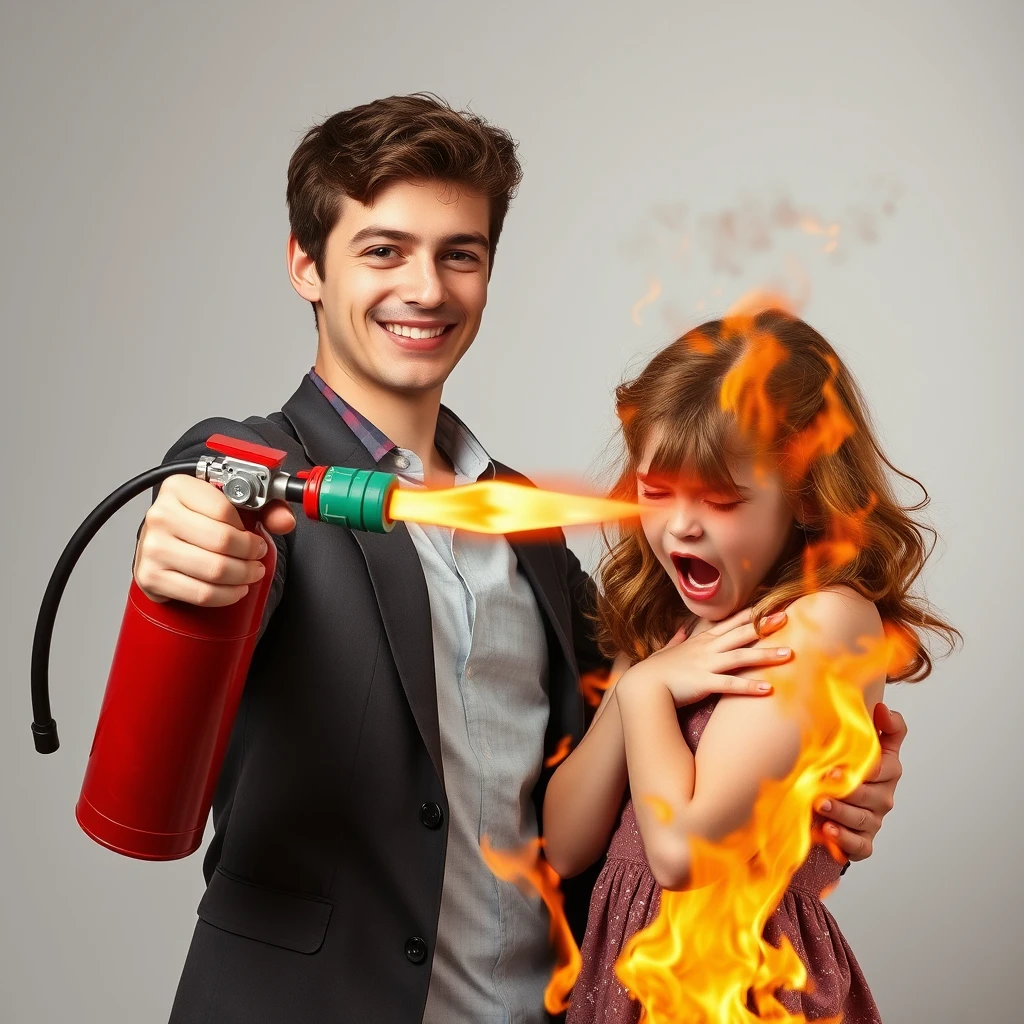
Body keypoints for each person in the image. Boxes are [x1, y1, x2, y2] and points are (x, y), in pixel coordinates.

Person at [131, 95, 907, 1023]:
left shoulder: (533, 536)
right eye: (383, 250)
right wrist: (185, 532)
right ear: (306, 265)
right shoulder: (257, 480)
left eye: (459, 253)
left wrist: (832, 776)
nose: (426, 288)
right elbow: (201, 516)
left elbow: (636, 763)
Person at [544, 309, 959, 1022]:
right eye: (656, 491)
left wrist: (643, 694)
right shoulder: (669, 629)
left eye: (722, 500)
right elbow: (565, 842)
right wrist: (644, 677)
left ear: (802, 496)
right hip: (627, 991)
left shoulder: (826, 622)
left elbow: (681, 853)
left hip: (748, 994)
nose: (680, 526)